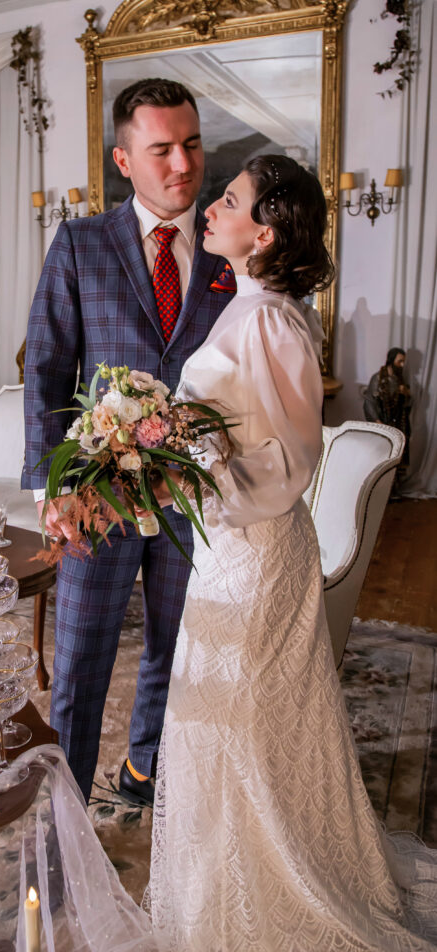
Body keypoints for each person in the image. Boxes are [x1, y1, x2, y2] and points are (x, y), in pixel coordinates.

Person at [147, 155, 437, 950]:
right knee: (221, 721)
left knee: (238, 723)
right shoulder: (248, 306)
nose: (210, 207)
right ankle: (214, 885)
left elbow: (289, 462)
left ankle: (262, 895)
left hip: (256, 550)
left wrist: (188, 463)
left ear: (264, 232)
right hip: (228, 545)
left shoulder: (270, 319)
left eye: (229, 201)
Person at [21, 78, 236, 805]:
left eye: (193, 144)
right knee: (80, 658)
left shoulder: (228, 252)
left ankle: (146, 767)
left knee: (175, 651)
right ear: (123, 160)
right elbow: (47, 366)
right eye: (162, 149)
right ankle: (66, 805)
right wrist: (53, 488)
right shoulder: (81, 244)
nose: (184, 164)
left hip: (194, 497)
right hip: (98, 496)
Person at [364, 347, 412, 479]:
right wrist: (377, 421)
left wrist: (405, 394)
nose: (402, 365)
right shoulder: (378, 378)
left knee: (397, 455)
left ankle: (395, 487)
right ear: (391, 360)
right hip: (383, 422)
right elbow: (369, 402)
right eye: (399, 361)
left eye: (403, 362)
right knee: (383, 456)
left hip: (398, 423)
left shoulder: (399, 380)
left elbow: (407, 405)